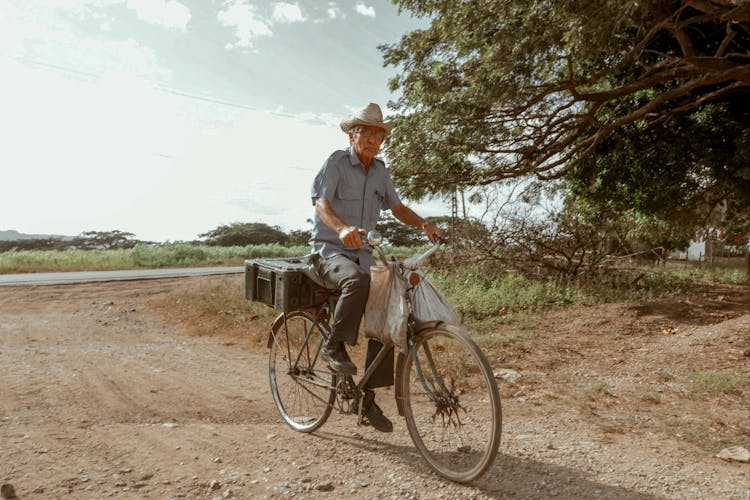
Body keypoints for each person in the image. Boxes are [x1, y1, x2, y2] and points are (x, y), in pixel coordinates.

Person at [309, 102, 444, 432]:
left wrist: (425, 224)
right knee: (356, 280)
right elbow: (321, 203)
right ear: (352, 134)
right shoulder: (336, 162)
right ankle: (332, 347)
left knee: (387, 314)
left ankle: (365, 398)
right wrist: (341, 228)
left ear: (383, 139)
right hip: (328, 253)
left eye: (377, 134)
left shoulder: (381, 170)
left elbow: (396, 207)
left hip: (364, 256)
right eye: (365, 131)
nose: (371, 139)